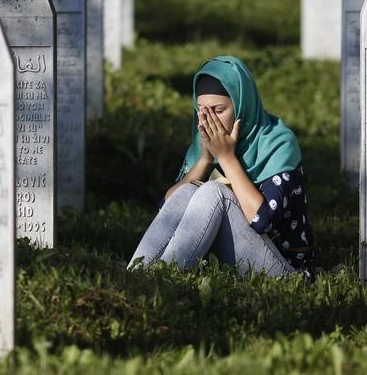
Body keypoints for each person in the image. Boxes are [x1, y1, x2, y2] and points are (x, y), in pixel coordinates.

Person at [128, 56, 315, 278]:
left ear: (241, 106)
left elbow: (262, 220)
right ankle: (136, 275)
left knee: (214, 192)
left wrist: (226, 157)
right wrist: (205, 159)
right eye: (201, 110)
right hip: (231, 256)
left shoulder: (279, 143)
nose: (208, 120)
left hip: (283, 267)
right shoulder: (203, 143)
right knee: (187, 189)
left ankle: (160, 280)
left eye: (218, 110)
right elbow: (167, 210)